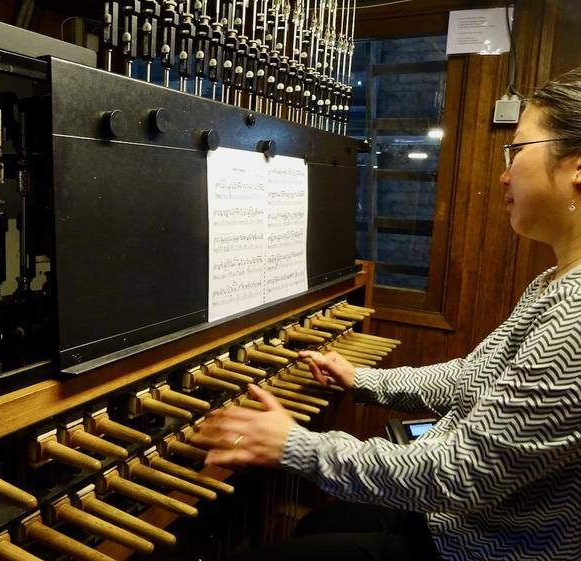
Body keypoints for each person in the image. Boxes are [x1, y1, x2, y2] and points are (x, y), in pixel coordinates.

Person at [200, 68, 581, 561]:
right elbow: (470, 378)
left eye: (517, 149)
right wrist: (363, 380)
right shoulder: (554, 280)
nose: (505, 174)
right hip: (454, 520)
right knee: (319, 522)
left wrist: (295, 445)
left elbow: (460, 474)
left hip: (479, 546)